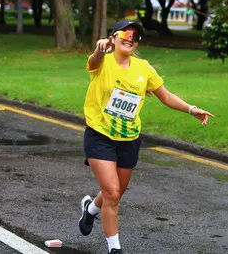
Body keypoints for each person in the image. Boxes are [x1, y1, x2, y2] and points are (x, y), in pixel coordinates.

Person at [78, 20, 214, 254]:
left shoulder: (144, 69)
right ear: (113, 37)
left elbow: (166, 96)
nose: (131, 38)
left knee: (116, 192)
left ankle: (90, 209)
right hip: (99, 135)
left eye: (136, 36)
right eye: (126, 34)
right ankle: (115, 249)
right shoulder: (104, 61)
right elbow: (93, 62)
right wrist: (100, 50)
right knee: (111, 193)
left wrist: (192, 109)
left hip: (129, 137)